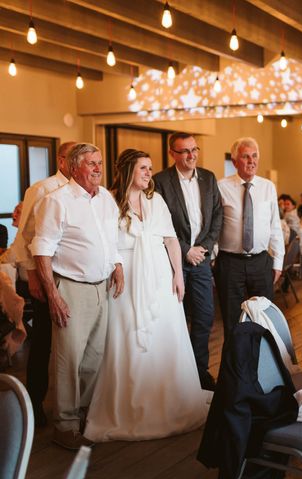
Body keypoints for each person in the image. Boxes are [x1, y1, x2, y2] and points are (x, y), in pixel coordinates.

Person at [84, 149, 209, 442]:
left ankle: (169, 400)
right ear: (129, 169)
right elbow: (103, 242)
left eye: (150, 168)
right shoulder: (108, 200)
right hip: (125, 276)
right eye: (143, 168)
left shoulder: (156, 200)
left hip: (159, 275)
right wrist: (115, 266)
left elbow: (171, 240)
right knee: (127, 337)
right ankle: (129, 405)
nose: (149, 173)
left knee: (164, 334)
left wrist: (178, 274)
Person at [31, 143, 124, 450]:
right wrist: (53, 295)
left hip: (101, 287)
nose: (98, 168)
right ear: (73, 168)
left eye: (99, 162)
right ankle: (65, 425)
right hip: (70, 286)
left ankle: (83, 415)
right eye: (91, 164)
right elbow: (41, 250)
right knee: (67, 359)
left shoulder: (106, 198)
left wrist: (117, 266)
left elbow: (112, 239)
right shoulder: (56, 201)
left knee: (94, 358)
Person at [153, 132, 222, 392]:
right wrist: (185, 251)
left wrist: (203, 248)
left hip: (201, 260)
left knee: (204, 316)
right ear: (172, 153)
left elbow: (217, 216)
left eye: (194, 149)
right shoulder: (161, 181)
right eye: (184, 151)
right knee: (177, 319)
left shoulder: (209, 177)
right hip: (173, 261)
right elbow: (159, 223)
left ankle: (199, 371)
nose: (191, 155)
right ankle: (178, 375)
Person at [14, 141, 75, 427]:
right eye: (78, 157)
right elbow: (24, 237)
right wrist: (35, 277)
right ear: (62, 160)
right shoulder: (41, 189)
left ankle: (73, 403)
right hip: (45, 275)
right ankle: (35, 404)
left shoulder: (85, 190)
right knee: (43, 344)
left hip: (75, 276)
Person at [214, 137, 284, 336]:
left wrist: (278, 262)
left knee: (263, 318)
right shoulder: (221, 187)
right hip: (230, 263)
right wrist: (213, 259)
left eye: (254, 156)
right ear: (235, 161)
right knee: (231, 320)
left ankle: (264, 364)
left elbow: (275, 226)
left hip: (260, 262)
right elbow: (214, 226)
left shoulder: (268, 187)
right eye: (245, 157)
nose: (251, 161)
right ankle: (234, 366)